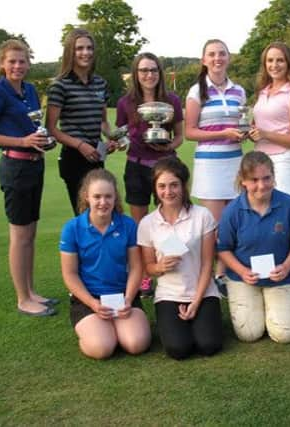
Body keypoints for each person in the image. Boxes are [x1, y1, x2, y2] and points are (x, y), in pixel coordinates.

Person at [0, 39, 58, 317]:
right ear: (2, 64)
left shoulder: (31, 90)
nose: (17, 66)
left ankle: (32, 291)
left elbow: (36, 128)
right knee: (20, 235)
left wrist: (44, 141)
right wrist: (23, 141)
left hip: (35, 165)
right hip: (15, 167)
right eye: (12, 61)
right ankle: (23, 299)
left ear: (28, 63)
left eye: (22, 61)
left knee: (30, 234)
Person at [60, 169, 151, 359]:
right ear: (87, 197)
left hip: (123, 296)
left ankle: (115, 328)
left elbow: (136, 267)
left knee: (136, 344)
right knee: (102, 348)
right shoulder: (72, 228)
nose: (103, 202)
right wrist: (93, 303)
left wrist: (128, 299)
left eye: (108, 196)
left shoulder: (127, 225)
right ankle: (98, 331)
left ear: (115, 197)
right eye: (97, 196)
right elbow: (70, 274)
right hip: (89, 298)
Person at [137, 158, 222, 359]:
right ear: (155, 189)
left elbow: (208, 264)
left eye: (174, 185)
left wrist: (196, 301)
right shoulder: (148, 223)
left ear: (183, 185)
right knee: (179, 349)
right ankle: (180, 325)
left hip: (202, 291)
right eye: (162, 186)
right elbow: (148, 267)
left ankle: (202, 319)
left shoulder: (202, 216)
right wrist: (160, 267)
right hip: (169, 295)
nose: (168, 192)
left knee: (209, 345)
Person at [217, 152, 290, 343]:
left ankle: (273, 304)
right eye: (254, 180)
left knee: (285, 335)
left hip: (281, 277)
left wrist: (286, 267)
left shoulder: (289, 205)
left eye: (267, 178)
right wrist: (242, 272)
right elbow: (223, 249)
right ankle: (258, 305)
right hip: (244, 279)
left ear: (274, 177)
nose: (261, 185)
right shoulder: (232, 211)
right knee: (249, 334)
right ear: (243, 181)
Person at [116, 52, 184, 298]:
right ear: (136, 74)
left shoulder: (172, 100)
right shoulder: (126, 103)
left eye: (153, 70)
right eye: (144, 70)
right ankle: (144, 275)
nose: (149, 74)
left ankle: (175, 263)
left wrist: (169, 146)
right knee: (140, 223)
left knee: (171, 218)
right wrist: (119, 142)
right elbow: (121, 133)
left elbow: (179, 136)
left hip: (165, 166)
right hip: (136, 165)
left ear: (160, 73)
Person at [185, 39, 246, 287]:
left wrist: (246, 132)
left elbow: (242, 123)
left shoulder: (239, 91)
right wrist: (223, 134)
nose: (217, 58)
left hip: (235, 163)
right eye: (212, 54)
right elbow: (190, 132)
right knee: (213, 226)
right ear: (204, 60)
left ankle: (222, 273)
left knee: (232, 224)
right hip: (210, 167)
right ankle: (207, 273)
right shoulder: (196, 91)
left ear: (228, 58)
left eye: (222, 54)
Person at [47, 28, 116, 215]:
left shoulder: (100, 83)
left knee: (101, 215)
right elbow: (51, 129)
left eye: (89, 48)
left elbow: (103, 122)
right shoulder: (60, 85)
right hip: (74, 158)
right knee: (85, 218)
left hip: (96, 156)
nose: (85, 53)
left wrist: (110, 138)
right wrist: (80, 145)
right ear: (70, 51)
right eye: (79, 48)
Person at [249, 42, 290, 198]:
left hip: (284, 162)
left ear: (289, 63)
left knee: (283, 215)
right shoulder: (263, 92)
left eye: (280, 60)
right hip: (260, 161)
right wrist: (250, 131)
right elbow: (260, 126)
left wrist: (265, 134)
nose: (274, 65)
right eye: (270, 60)